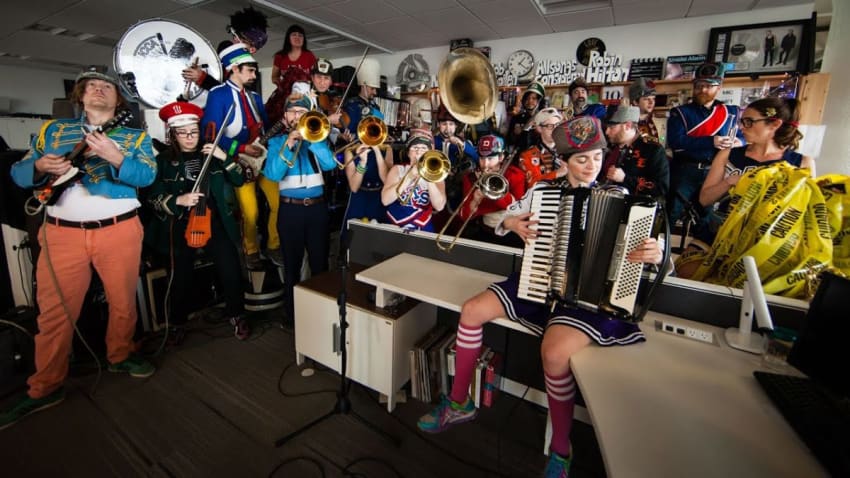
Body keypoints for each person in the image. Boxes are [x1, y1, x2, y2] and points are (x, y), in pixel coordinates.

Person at [416, 116, 664, 478]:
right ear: (565, 161)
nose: (592, 166)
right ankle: (460, 401)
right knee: (471, 311)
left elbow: (649, 256)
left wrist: (654, 253)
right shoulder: (544, 192)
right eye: (582, 159)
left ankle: (561, 449)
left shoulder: (625, 201)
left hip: (588, 298)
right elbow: (499, 219)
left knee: (553, 352)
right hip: (537, 280)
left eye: (596, 157)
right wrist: (511, 223)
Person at [1, 68, 157, 430]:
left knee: (123, 302)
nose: (100, 91)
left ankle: (120, 355)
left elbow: (146, 176)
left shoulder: (135, 136)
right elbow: (19, 175)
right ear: (81, 96)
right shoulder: (52, 132)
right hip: (61, 234)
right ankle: (45, 386)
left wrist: (117, 157)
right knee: (53, 313)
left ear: (118, 100)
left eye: (107, 88)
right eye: (92, 86)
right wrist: (38, 165)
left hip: (118, 230)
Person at [673, 97, 815, 278]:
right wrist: (729, 182)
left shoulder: (800, 163)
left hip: (768, 239)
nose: (741, 127)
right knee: (685, 271)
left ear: (774, 124)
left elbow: (806, 214)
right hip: (720, 229)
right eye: (742, 121)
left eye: (749, 122)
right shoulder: (729, 154)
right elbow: (704, 199)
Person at [145, 102, 249, 341]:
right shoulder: (162, 161)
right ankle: (177, 323)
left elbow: (239, 179)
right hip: (181, 222)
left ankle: (237, 315)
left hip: (215, 219)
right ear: (173, 134)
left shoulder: (212, 153)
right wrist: (178, 200)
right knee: (180, 274)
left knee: (230, 269)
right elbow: (152, 197)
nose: (190, 137)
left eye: (194, 131)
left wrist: (224, 157)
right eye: (183, 133)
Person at [202, 43, 280, 270]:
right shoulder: (218, 95)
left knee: (278, 203)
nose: (255, 74)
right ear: (234, 69)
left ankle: (273, 245)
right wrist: (241, 149)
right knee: (250, 211)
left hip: (262, 159)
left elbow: (265, 128)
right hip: (237, 162)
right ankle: (251, 250)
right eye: (250, 70)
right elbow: (211, 135)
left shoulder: (255, 97)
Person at [263, 93, 337, 321]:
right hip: (290, 211)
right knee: (292, 266)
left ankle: (321, 314)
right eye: (293, 112)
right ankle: (293, 315)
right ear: (285, 116)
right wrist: (290, 142)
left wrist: (313, 141)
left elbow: (330, 164)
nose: (297, 116)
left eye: (302, 112)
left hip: (316, 210)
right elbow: (273, 174)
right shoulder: (276, 142)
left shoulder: (319, 138)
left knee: (319, 264)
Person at [666, 62, 743, 229]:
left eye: (708, 86)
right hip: (685, 169)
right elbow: (675, 141)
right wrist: (711, 141)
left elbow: (742, 135)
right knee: (672, 212)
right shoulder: (680, 112)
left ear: (719, 87)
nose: (703, 90)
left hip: (714, 170)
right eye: (699, 85)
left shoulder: (731, 112)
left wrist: (738, 142)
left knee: (706, 217)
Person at [340, 58, 389, 234]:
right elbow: (343, 128)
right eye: (372, 88)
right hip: (356, 151)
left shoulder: (376, 106)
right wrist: (345, 136)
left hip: (375, 155)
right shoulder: (350, 105)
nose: (375, 92)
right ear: (364, 85)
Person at [458, 135, 525, 247]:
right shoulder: (471, 178)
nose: (485, 164)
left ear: (501, 157)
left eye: (490, 159)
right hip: (483, 230)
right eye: (482, 158)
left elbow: (518, 209)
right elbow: (463, 216)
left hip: (510, 232)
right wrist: (474, 201)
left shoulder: (515, 175)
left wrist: (484, 206)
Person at [181, 7, 268, 92]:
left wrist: (202, 78)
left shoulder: (250, 71)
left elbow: (232, 96)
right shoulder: (226, 47)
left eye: (241, 39)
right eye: (234, 36)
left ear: (252, 49)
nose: (235, 40)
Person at [382, 129, 447, 232]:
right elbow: (385, 200)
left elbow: (439, 206)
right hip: (395, 224)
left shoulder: (437, 174)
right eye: (415, 147)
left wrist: (427, 175)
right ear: (408, 153)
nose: (419, 151)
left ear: (429, 153)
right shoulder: (398, 169)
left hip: (423, 226)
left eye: (423, 148)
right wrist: (409, 176)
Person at [601, 104, 669, 199]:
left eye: (612, 127)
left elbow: (661, 188)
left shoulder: (652, 149)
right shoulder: (611, 148)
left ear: (627, 126)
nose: (607, 132)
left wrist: (625, 179)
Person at [266, 25, 317, 126]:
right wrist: (284, 86)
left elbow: (315, 77)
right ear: (288, 38)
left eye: (300, 36)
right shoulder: (280, 56)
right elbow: (274, 77)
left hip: (305, 95)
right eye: (294, 35)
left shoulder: (309, 55)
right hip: (286, 96)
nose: (297, 38)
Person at [434, 104, 479, 212]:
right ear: (439, 124)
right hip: (436, 181)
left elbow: (477, 158)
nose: (448, 128)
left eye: (451, 124)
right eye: (444, 124)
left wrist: (461, 144)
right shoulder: (432, 141)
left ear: (455, 126)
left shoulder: (464, 142)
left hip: (457, 184)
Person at [517, 107, 569, 189]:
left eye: (557, 125)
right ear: (539, 128)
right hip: (541, 199)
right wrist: (557, 173)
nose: (555, 129)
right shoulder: (527, 155)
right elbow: (532, 184)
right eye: (550, 126)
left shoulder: (567, 151)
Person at [507, 81, 546, 151]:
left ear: (540, 101)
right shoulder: (516, 118)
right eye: (527, 98)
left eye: (534, 98)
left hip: (540, 157)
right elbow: (509, 142)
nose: (530, 101)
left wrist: (541, 133)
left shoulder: (546, 119)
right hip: (520, 158)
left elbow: (552, 142)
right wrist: (515, 134)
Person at [628, 78, 660, 142]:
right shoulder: (627, 124)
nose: (651, 102)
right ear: (635, 102)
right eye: (646, 99)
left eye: (653, 99)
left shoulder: (655, 120)